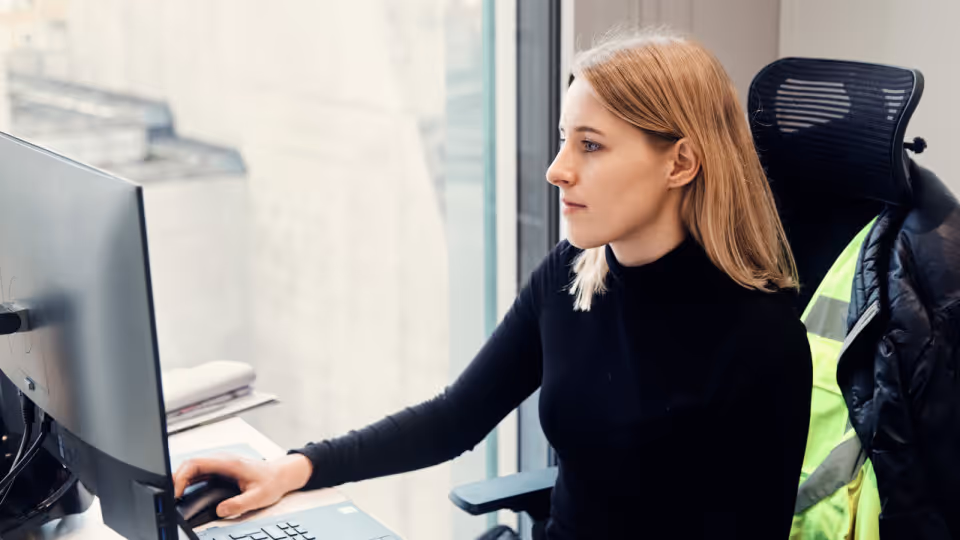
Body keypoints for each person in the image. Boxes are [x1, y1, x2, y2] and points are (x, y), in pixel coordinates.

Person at [173, 30, 813, 540]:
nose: (557, 169)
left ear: (680, 162)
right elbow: (455, 418)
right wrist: (293, 468)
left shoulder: (760, 341)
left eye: (591, 146)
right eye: (564, 140)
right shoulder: (572, 275)